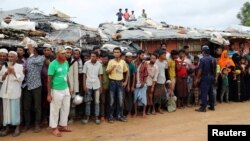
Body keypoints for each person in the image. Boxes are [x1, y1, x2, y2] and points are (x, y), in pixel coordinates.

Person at [47, 46, 72, 137]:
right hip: (56, 89)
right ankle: (54, 128)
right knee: (55, 109)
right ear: (57, 54)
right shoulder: (53, 64)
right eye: (62, 53)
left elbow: (67, 75)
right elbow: (49, 80)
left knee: (66, 108)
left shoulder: (66, 62)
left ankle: (63, 125)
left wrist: (69, 87)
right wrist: (49, 94)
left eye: (65, 53)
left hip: (65, 89)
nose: (65, 54)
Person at [0, 51, 24, 137]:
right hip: (5, 93)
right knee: (6, 111)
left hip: (14, 92)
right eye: (9, 57)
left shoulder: (20, 66)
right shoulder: (4, 66)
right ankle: (7, 128)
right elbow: (1, 79)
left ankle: (17, 127)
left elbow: (21, 79)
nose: (10, 58)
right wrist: (6, 73)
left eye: (12, 57)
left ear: (16, 58)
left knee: (15, 110)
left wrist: (13, 72)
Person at [23, 41, 45, 132]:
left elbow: (36, 61)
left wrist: (32, 51)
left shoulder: (41, 57)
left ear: (34, 49)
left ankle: (37, 124)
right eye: (28, 49)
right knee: (26, 107)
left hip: (36, 85)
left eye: (29, 49)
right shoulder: (28, 59)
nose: (28, 51)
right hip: (27, 85)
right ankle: (27, 124)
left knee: (37, 107)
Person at [106, 47, 128, 123]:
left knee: (120, 100)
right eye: (115, 52)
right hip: (112, 82)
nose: (116, 53)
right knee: (111, 101)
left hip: (120, 83)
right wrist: (112, 68)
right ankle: (110, 117)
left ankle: (120, 116)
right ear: (113, 53)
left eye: (118, 52)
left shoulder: (123, 62)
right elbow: (107, 72)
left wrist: (125, 82)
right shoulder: (111, 62)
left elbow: (126, 72)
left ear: (120, 53)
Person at [82, 51, 103, 124]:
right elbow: (84, 75)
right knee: (88, 102)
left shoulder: (99, 64)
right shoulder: (86, 63)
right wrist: (84, 85)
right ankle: (87, 116)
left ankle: (97, 117)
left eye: (94, 56)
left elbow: (100, 75)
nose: (92, 58)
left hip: (97, 85)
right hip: (88, 84)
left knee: (97, 102)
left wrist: (101, 87)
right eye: (91, 56)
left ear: (97, 57)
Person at [195, 45, 216, 112]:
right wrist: (215, 77)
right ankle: (212, 106)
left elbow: (200, 70)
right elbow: (215, 69)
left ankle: (203, 107)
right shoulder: (213, 59)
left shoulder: (202, 59)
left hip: (205, 77)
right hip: (211, 76)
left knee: (204, 92)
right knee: (210, 92)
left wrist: (197, 78)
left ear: (203, 51)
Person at [41, 44, 55, 125]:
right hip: (43, 84)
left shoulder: (54, 60)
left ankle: (51, 119)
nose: (46, 52)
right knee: (44, 102)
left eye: (48, 50)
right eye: (45, 50)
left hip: (52, 85)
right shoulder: (41, 59)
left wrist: (50, 64)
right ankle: (44, 118)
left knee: (52, 102)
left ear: (51, 51)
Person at [65, 46, 79, 123]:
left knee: (72, 103)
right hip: (63, 85)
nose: (68, 54)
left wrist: (75, 89)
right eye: (67, 52)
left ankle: (71, 118)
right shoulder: (61, 61)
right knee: (64, 103)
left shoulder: (74, 62)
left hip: (72, 86)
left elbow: (75, 76)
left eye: (70, 52)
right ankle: (64, 118)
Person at [133, 50, 148, 118]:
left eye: (143, 55)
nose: (143, 56)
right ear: (138, 55)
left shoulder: (145, 63)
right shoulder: (134, 62)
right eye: (142, 55)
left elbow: (146, 74)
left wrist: (143, 82)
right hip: (136, 83)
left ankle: (143, 112)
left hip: (142, 83)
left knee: (144, 98)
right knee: (135, 98)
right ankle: (136, 113)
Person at [154, 49, 168, 114]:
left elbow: (165, 71)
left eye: (165, 54)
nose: (165, 56)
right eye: (164, 55)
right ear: (160, 55)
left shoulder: (165, 62)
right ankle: (156, 109)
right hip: (157, 81)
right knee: (157, 96)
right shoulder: (156, 62)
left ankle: (159, 108)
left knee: (163, 96)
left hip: (163, 81)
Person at [124, 52, 136, 117]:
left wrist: (132, 86)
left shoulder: (132, 65)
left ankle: (129, 112)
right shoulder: (124, 64)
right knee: (124, 98)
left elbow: (134, 76)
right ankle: (125, 111)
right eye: (128, 57)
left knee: (129, 98)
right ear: (125, 57)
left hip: (130, 82)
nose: (129, 58)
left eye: (130, 57)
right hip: (124, 82)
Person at [0, 48, 8, 131]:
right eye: (0, 56)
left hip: (5, 88)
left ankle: (4, 124)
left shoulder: (8, 65)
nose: (2, 57)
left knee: (3, 107)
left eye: (4, 56)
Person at [100, 53, 110, 120]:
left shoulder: (110, 66)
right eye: (103, 59)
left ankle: (108, 115)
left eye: (106, 59)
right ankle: (102, 115)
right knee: (102, 101)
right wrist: (101, 86)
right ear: (101, 59)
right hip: (102, 87)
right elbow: (99, 77)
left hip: (110, 87)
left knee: (109, 101)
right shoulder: (100, 66)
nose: (105, 60)